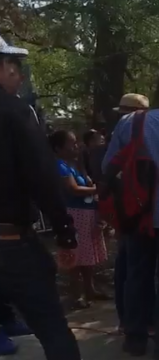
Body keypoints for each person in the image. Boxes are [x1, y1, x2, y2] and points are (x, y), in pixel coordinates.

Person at [0, 37, 100, 360]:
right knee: (54, 331)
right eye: (13, 67)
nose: (18, 75)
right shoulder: (13, 111)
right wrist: (65, 229)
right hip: (11, 243)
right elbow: (41, 175)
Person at [103, 71, 159, 360]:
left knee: (137, 273)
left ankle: (135, 337)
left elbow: (108, 166)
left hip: (136, 211)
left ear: (157, 91)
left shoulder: (130, 122)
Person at [50, 130, 109, 309]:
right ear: (58, 148)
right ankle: (77, 295)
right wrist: (98, 190)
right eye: (72, 143)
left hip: (86, 213)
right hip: (73, 214)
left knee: (87, 256)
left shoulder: (74, 165)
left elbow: (87, 182)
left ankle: (89, 289)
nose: (76, 146)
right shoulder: (59, 166)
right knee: (74, 257)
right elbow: (73, 189)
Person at [106, 93, 150, 331]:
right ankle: (134, 320)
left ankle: (128, 320)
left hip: (125, 205)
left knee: (127, 264)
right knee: (133, 266)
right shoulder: (143, 132)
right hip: (138, 206)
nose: (121, 117)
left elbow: (106, 167)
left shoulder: (120, 133)